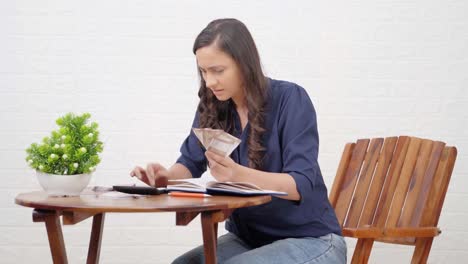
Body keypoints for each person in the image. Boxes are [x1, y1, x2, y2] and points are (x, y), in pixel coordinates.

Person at [130, 18, 346, 264]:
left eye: (218, 71)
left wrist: (237, 174)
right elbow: (190, 163)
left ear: (244, 64)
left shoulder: (290, 99)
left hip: (311, 239)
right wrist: (164, 177)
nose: (210, 82)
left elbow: (300, 185)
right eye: (203, 71)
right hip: (250, 239)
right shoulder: (212, 107)